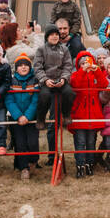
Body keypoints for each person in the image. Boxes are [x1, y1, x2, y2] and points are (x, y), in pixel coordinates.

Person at [35, 25, 75, 163]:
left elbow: (68, 66)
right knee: (44, 96)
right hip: (47, 82)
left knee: (70, 93)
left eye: (56, 34)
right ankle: (40, 118)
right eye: (51, 34)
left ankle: (67, 114)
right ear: (47, 36)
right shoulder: (41, 49)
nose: (54, 36)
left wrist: (64, 79)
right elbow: (38, 67)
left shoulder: (64, 49)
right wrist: (45, 80)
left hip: (61, 82)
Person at [70, 50, 108, 178]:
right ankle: (80, 165)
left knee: (91, 142)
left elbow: (104, 84)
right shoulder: (76, 74)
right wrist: (82, 70)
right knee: (80, 142)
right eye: (82, 63)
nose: (86, 65)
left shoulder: (96, 75)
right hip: (80, 114)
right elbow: (75, 84)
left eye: (88, 62)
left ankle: (90, 164)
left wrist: (96, 70)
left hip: (93, 114)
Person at [6, 53, 40, 178]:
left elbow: (36, 100)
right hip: (17, 118)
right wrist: (19, 116)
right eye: (20, 66)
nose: (23, 67)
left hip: (31, 118)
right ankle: (23, 168)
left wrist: (27, 116)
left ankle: (33, 161)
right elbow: (9, 100)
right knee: (20, 143)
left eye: (26, 65)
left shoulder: (35, 80)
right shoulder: (11, 81)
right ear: (16, 68)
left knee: (32, 142)